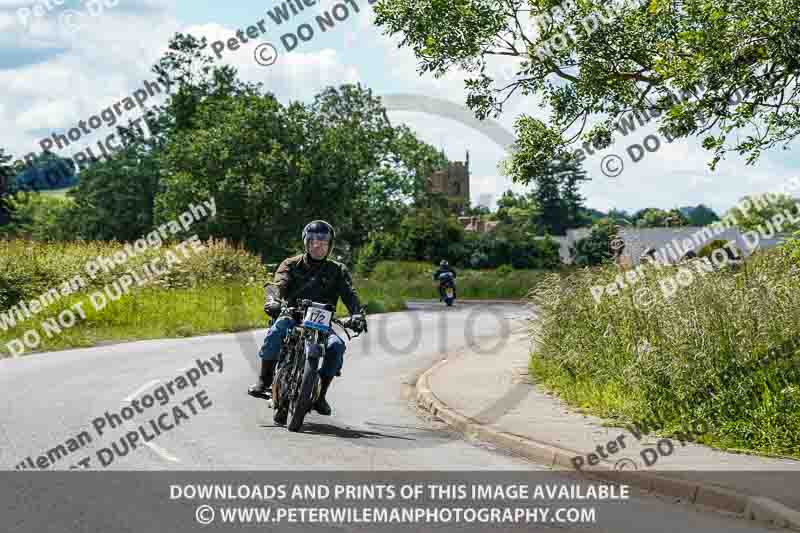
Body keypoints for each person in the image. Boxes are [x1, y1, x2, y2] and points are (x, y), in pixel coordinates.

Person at [248, 220, 366, 416]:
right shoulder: (291, 264)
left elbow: (350, 295)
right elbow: (279, 284)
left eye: (323, 242)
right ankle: (264, 380)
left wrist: (357, 315)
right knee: (277, 331)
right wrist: (273, 299)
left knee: (336, 346)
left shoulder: (338, 270)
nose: (318, 245)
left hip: (323, 324)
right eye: (313, 241)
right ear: (306, 243)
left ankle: (320, 396)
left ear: (330, 245)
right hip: (293, 316)